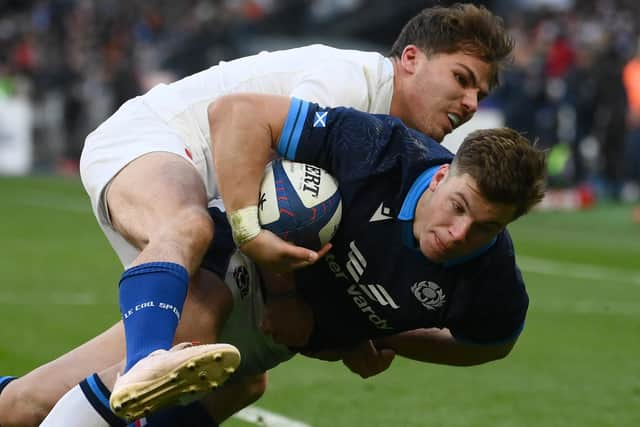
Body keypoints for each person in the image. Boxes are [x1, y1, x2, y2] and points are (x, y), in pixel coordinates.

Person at [0, 3, 515, 424]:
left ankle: (28, 401)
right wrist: (288, 296)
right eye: (462, 78)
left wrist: (360, 329)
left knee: (239, 377)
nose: (470, 103)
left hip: (218, 197)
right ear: (410, 59)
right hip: (158, 140)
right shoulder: (349, 84)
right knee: (188, 230)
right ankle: (146, 362)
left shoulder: (397, 149)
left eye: (481, 95)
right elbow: (278, 191)